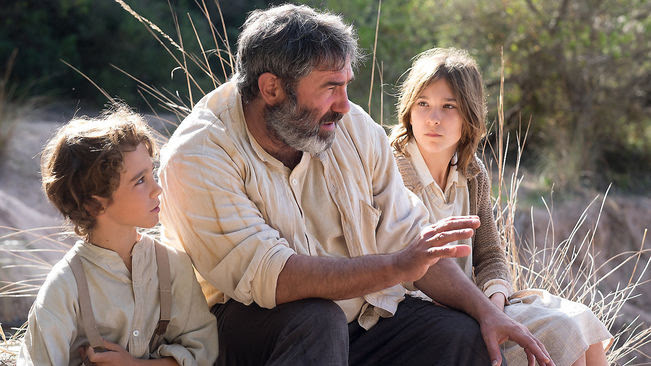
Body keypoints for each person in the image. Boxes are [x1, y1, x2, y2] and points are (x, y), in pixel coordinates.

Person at [158, 4, 553, 365]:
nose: (346, 104)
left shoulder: (353, 127)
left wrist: (485, 312)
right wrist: (397, 266)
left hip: (361, 318)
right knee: (318, 320)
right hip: (248, 330)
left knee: (463, 336)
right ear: (272, 89)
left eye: (347, 84)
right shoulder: (199, 155)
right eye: (331, 87)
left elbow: (408, 238)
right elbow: (271, 276)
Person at [390, 47, 613, 366]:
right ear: (408, 110)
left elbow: (491, 255)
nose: (433, 118)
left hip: (479, 305)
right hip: (425, 314)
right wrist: (481, 311)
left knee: (582, 323)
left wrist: (493, 308)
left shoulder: (472, 171)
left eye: (448, 106)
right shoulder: (392, 170)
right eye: (422, 104)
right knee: (562, 331)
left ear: (469, 116)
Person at [18, 105, 218, 365]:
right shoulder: (64, 287)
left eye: (152, 174)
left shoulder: (173, 266)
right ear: (94, 204)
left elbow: (204, 353)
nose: (157, 188)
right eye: (140, 180)